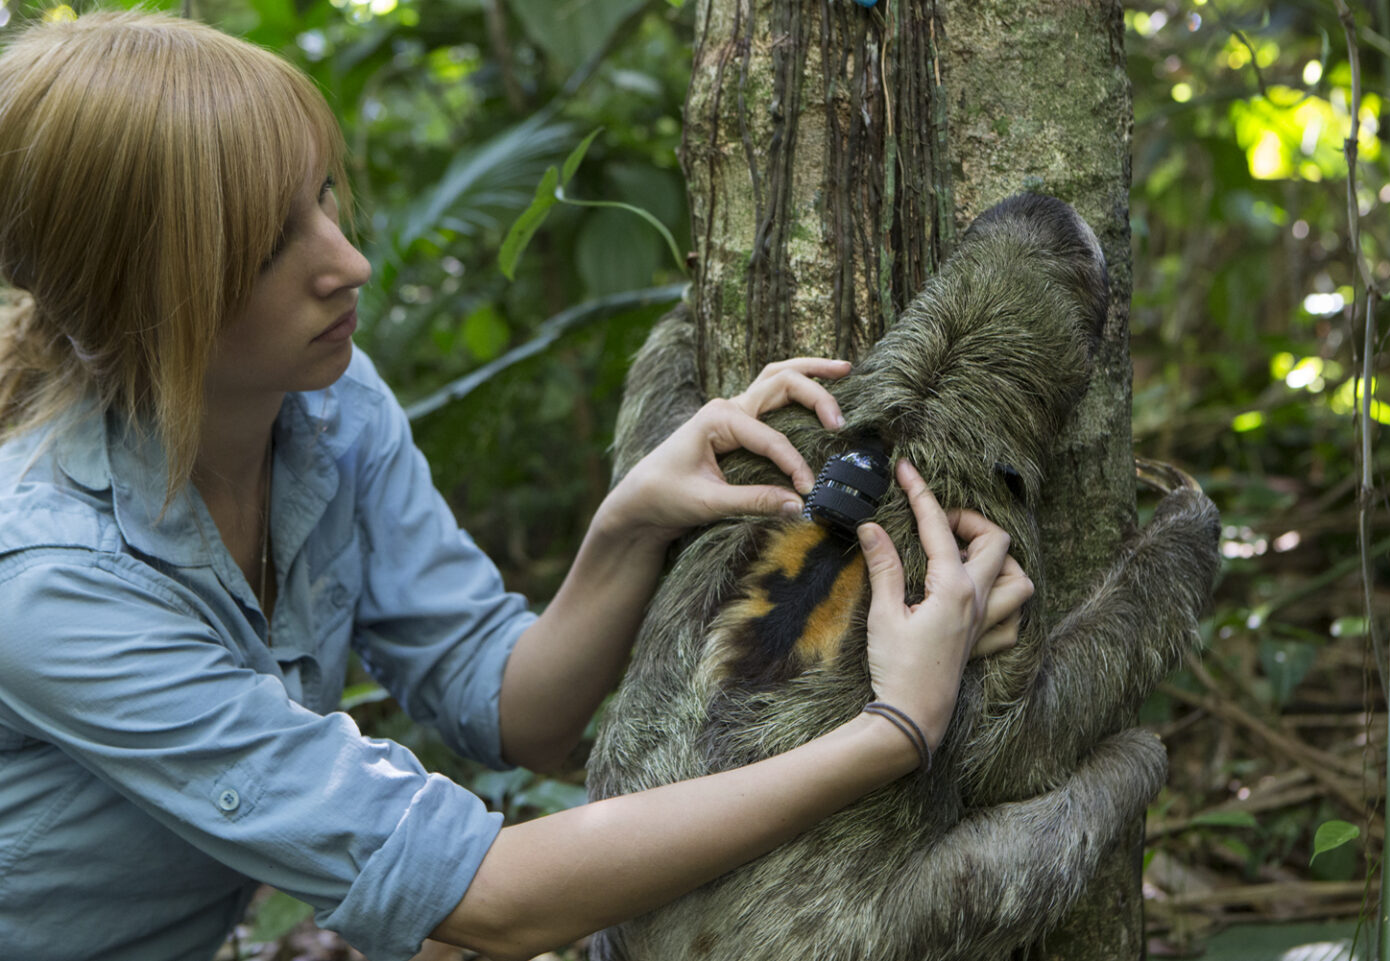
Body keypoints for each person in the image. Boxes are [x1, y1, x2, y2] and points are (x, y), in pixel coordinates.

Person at [0, 11, 1032, 961]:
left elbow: (509, 711)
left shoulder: (322, 405)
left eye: (322, 199)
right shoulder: (52, 585)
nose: (349, 262)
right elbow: (491, 899)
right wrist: (895, 727)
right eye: (272, 246)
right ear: (140, 295)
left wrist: (628, 523)